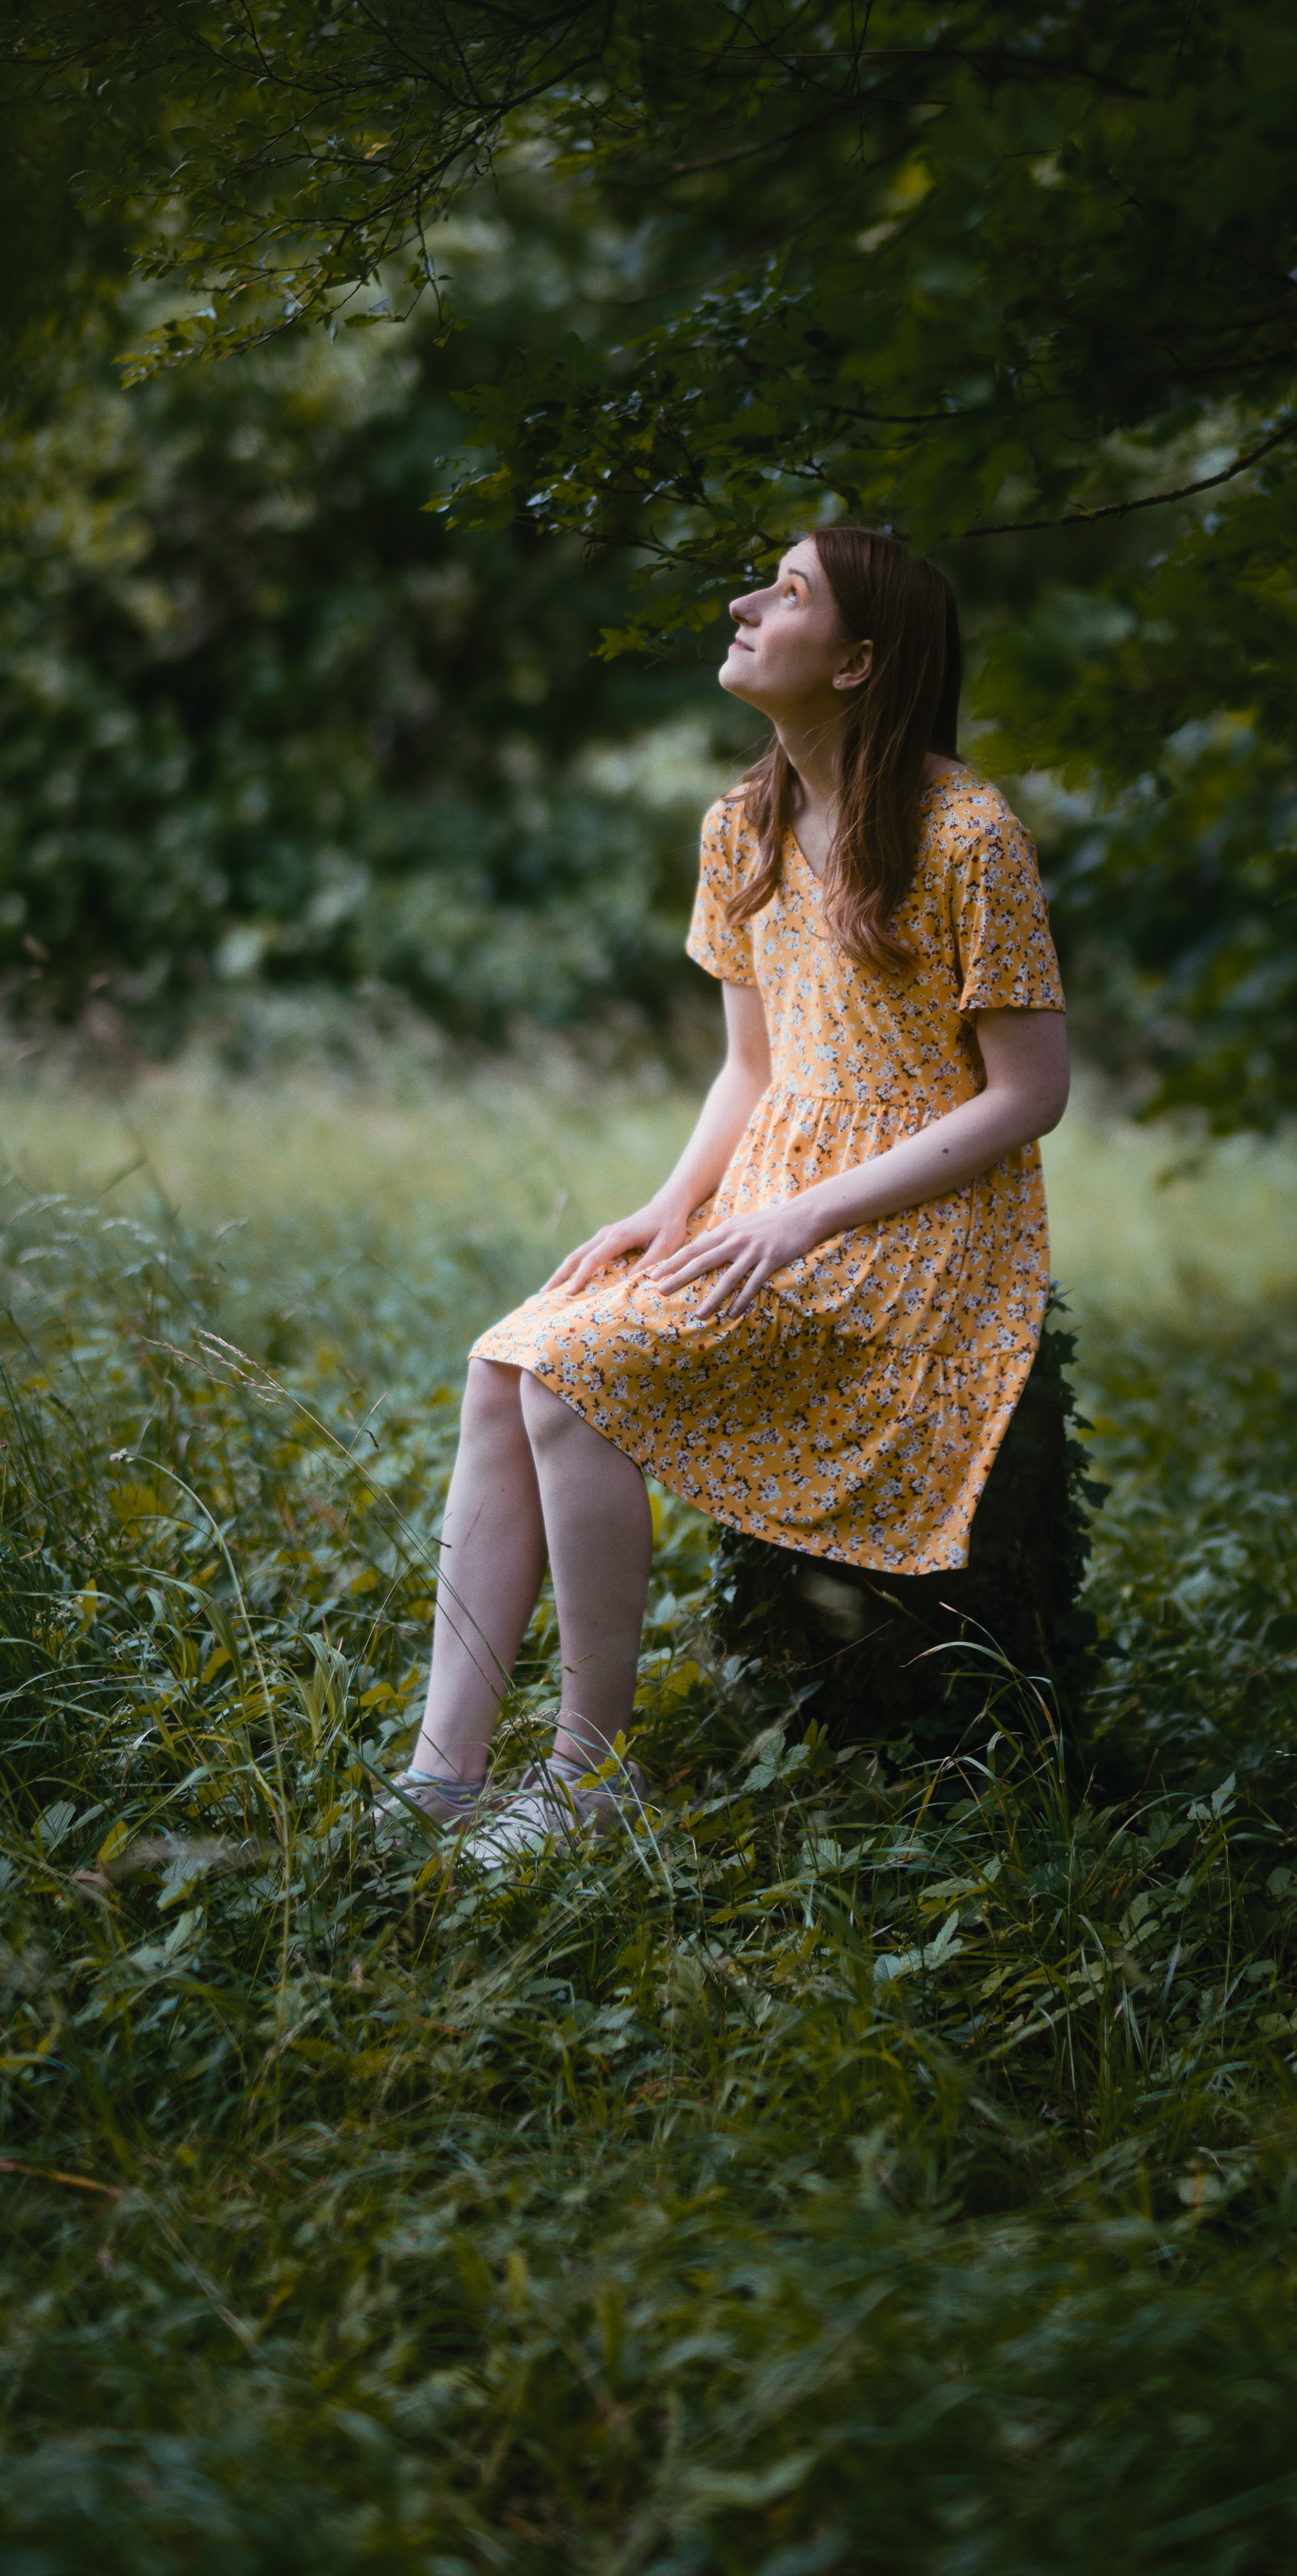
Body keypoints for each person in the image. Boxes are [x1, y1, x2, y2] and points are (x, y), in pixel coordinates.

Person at [391, 522, 1071, 1857]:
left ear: (862, 663)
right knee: (505, 1363)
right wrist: (667, 1208)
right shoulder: (743, 825)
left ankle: (590, 1773)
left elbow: (1029, 1094)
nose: (747, 603)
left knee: (573, 1385)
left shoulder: (967, 835)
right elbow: (749, 1070)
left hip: (916, 1228)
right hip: (769, 1194)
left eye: (792, 593)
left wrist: (805, 1215)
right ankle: (441, 1775)